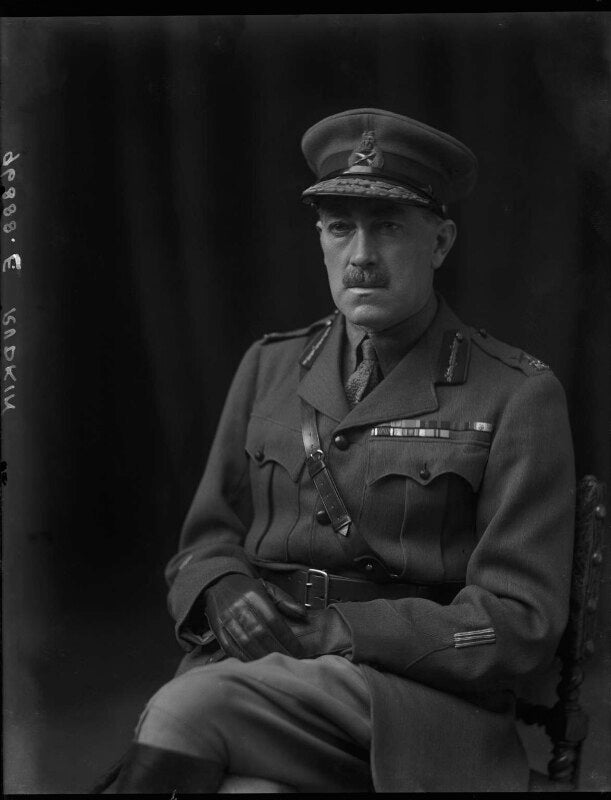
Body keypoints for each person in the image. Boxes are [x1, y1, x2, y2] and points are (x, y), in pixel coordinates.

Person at [112, 108, 575, 793]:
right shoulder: (269, 367)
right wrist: (223, 587)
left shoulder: (515, 394)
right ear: (320, 239)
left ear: (440, 242)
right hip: (263, 679)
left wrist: (337, 632)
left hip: (416, 706)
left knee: (185, 709)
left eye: (387, 228)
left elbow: (520, 621)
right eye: (339, 228)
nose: (361, 255)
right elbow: (206, 538)